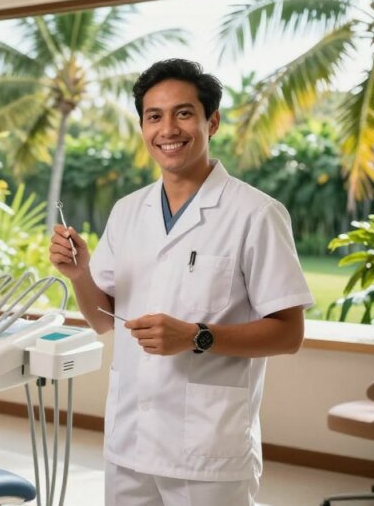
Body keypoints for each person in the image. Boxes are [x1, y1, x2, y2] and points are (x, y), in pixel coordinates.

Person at [48, 58, 313, 506]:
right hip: (130, 438)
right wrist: (79, 274)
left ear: (212, 121)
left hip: (207, 447)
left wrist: (196, 336)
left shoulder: (256, 214)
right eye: (154, 116)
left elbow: (289, 333)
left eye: (183, 113)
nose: (168, 128)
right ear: (143, 127)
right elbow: (101, 320)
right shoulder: (128, 211)